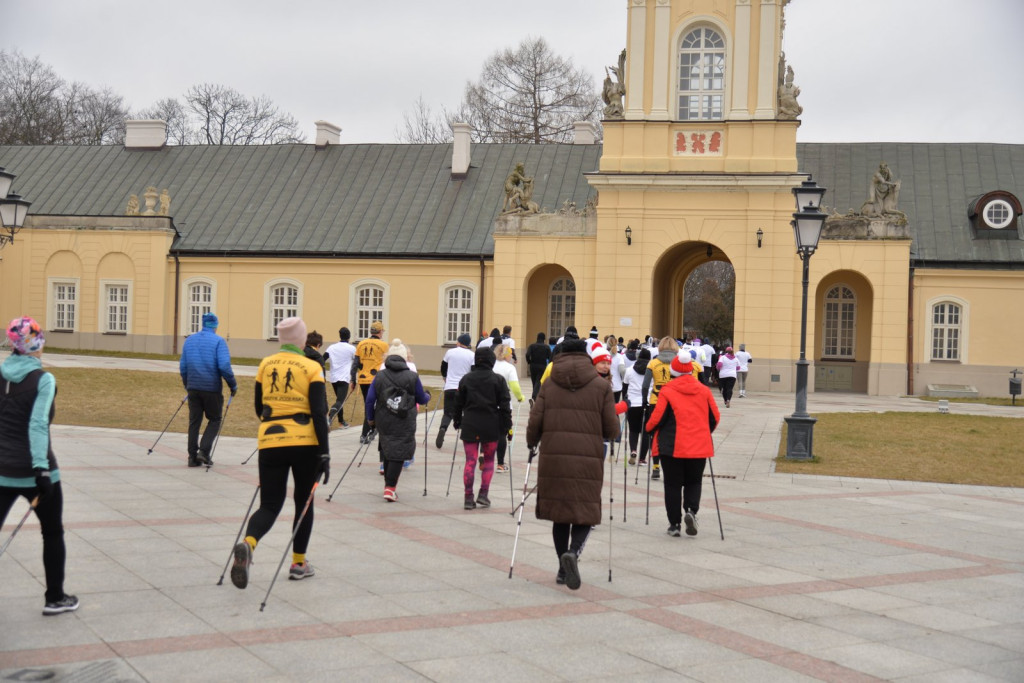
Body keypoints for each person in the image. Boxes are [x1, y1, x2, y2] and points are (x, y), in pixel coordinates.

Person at [231, 317, 330, 588]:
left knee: (270, 504)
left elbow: (257, 407)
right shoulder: (312, 367)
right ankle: (299, 563)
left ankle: (249, 544)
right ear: (302, 339)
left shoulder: (266, 364)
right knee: (303, 502)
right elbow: (319, 413)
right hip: (305, 442)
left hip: (271, 440)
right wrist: (325, 453)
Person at [526, 338, 619, 590]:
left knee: (560, 514)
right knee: (584, 510)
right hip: (588, 457)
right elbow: (612, 428)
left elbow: (535, 420)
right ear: (587, 356)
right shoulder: (601, 386)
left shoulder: (548, 384)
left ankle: (560, 567)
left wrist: (531, 442)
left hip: (554, 455)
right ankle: (574, 552)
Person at [0, 317, 78, 615]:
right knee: (52, 532)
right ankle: (55, 597)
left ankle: (56, 596)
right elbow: (37, 424)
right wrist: (41, 469)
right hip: (37, 472)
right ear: (36, 343)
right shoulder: (43, 379)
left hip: (3, 470)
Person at [645, 352, 720, 537]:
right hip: (699, 445)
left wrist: (648, 428)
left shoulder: (668, 390)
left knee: (672, 485)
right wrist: (704, 431)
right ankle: (691, 511)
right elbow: (715, 417)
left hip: (672, 446)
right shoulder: (704, 390)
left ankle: (675, 524)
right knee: (694, 481)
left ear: (673, 372)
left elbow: (657, 418)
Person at [366, 340, 431, 501]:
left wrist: (370, 419)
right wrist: (428, 396)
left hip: (383, 417)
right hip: (405, 418)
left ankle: (388, 485)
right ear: (404, 357)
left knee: (388, 448)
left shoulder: (380, 375)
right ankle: (390, 488)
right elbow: (421, 398)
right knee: (399, 451)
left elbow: (370, 399)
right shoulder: (412, 375)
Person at [452, 347, 511, 510]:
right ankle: (483, 494)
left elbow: (458, 403)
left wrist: (457, 420)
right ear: (491, 361)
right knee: (489, 460)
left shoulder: (466, 379)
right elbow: (505, 405)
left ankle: (468, 497)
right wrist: (507, 426)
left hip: (470, 423)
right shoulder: (498, 380)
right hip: (491, 424)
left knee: (470, 460)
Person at [179, 312, 237, 467]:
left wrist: (187, 384)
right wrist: (233, 384)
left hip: (193, 387)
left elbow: (183, 367)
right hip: (211, 388)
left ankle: (192, 457)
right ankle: (203, 452)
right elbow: (224, 366)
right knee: (215, 419)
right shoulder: (219, 341)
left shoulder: (189, 341)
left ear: (203, 324)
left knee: (194, 421)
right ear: (216, 326)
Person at [640, 336, 679, 481]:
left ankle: (656, 466)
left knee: (655, 434)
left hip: (656, 401)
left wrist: (644, 401)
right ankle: (671, 465)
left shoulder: (653, 363)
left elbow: (645, 385)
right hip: (674, 403)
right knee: (673, 433)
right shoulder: (678, 363)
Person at [435, 333, 475, 449]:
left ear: (459, 342)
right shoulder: (472, 355)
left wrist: (445, 377)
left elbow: (443, 367)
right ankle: (467, 435)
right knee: (466, 411)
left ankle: (443, 428)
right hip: (464, 388)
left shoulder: (450, 352)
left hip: (450, 386)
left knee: (448, 412)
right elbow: (473, 371)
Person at [492, 343, 525, 473]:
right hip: (503, 405)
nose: (512, 356)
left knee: (488, 432)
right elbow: (515, 387)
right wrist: (520, 397)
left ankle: (484, 456)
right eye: (510, 353)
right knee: (502, 433)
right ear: (506, 355)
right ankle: (500, 463)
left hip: (488, 403)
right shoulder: (509, 368)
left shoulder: (491, 365)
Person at [355, 321, 389, 444]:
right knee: (379, 405)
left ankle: (368, 432)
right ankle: (370, 431)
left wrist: (353, 380)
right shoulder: (384, 345)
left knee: (368, 405)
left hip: (363, 379)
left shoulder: (361, 344)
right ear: (380, 332)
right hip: (377, 379)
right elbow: (387, 363)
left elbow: (356, 363)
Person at [623, 347, 651, 465]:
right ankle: (642, 458)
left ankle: (633, 450)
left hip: (633, 403)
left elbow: (625, 388)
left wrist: (625, 400)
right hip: (648, 402)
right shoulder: (652, 370)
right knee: (646, 432)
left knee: (633, 430)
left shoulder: (629, 370)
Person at [324, 327, 356, 427]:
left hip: (333, 378)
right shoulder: (352, 348)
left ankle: (341, 422)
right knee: (340, 401)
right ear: (349, 337)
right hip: (344, 378)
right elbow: (357, 362)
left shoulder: (331, 347)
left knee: (339, 400)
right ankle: (329, 417)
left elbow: (322, 359)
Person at [525, 332, 551, 402]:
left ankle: (535, 397)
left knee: (534, 381)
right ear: (544, 339)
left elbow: (527, 354)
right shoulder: (546, 347)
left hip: (533, 365)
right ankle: (534, 397)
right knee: (539, 381)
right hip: (542, 366)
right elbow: (550, 357)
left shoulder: (532, 346)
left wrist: (529, 361)